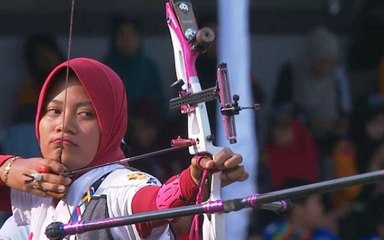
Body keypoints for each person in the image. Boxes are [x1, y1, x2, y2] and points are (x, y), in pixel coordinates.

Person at [0, 57, 248, 239]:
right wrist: (9, 168)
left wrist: (193, 181)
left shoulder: (118, 186)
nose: (64, 125)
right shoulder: (34, 189)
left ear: (111, 126)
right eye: (53, 111)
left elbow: (153, 203)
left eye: (86, 114)